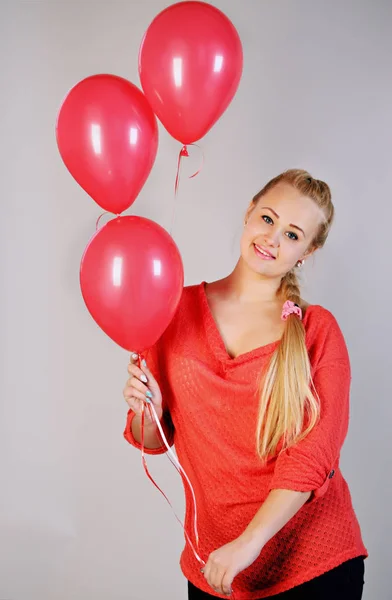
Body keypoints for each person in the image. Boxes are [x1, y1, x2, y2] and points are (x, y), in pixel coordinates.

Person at [123, 169, 368, 599]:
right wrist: (148, 409)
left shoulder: (316, 330)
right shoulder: (174, 310)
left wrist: (248, 544)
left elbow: (313, 456)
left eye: (293, 235)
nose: (272, 239)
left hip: (312, 567)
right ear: (249, 212)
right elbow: (152, 439)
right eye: (268, 219)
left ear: (307, 251)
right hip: (215, 567)